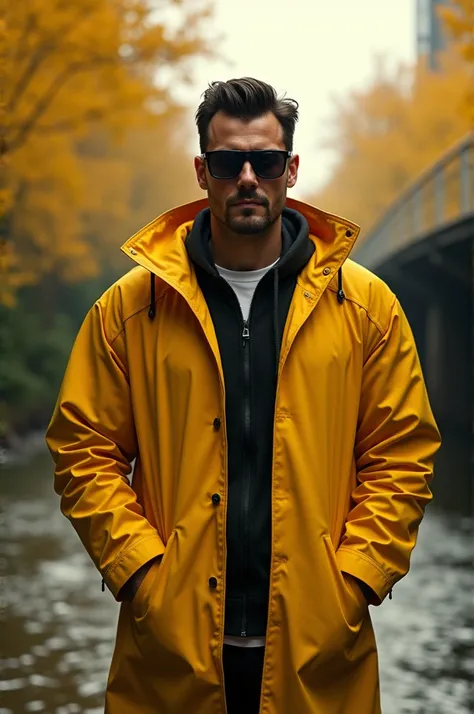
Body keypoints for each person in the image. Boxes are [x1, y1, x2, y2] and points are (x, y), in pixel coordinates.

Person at [46, 77, 441, 714]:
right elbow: (81, 450)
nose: (249, 177)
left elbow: (403, 453)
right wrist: (143, 573)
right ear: (203, 172)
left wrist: (357, 578)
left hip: (318, 647)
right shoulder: (130, 309)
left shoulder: (365, 308)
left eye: (268, 160)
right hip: (171, 651)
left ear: (292, 170)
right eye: (230, 162)